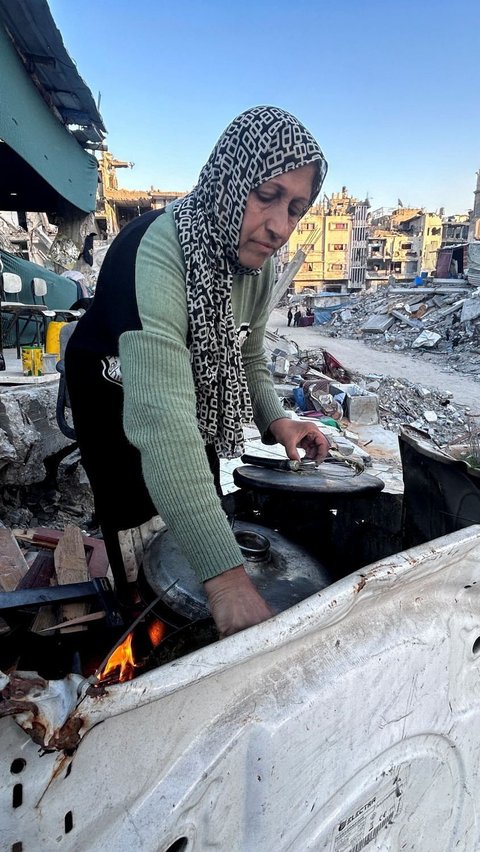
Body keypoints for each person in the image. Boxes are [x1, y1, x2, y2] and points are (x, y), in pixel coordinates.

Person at [65, 105, 329, 638]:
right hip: (113, 388)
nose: (280, 227)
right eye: (268, 195)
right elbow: (162, 422)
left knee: (200, 485)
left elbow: (246, 354)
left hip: (189, 390)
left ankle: (189, 591)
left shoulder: (257, 261)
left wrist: (279, 420)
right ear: (231, 179)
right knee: (133, 515)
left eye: (297, 208)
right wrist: (229, 584)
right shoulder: (157, 252)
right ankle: (138, 622)